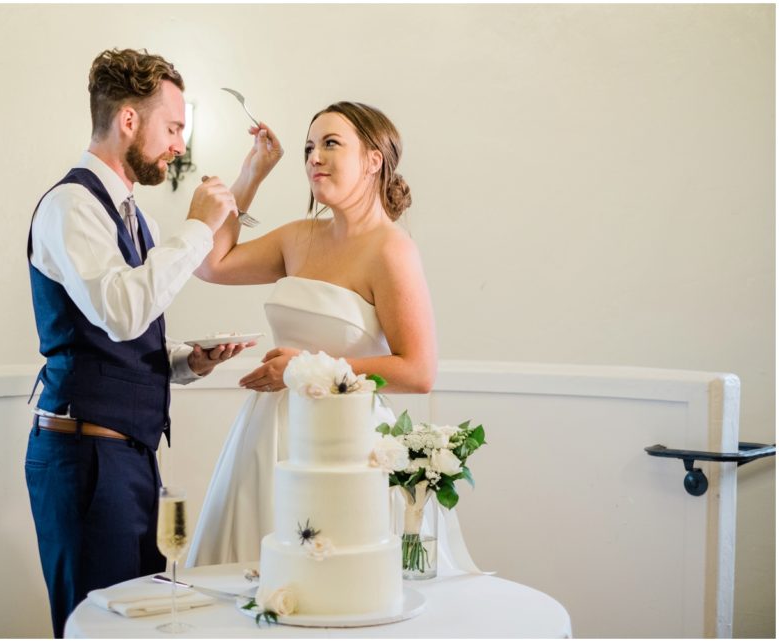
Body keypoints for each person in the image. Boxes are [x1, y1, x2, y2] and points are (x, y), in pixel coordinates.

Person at [24, 48, 282, 637]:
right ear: (130, 121)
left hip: (127, 457)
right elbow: (121, 311)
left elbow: (120, 334)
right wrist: (195, 226)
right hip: (84, 458)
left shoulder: (132, 217)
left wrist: (188, 361)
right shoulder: (70, 206)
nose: (178, 147)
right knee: (99, 626)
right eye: (172, 129)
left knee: (143, 626)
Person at [186, 101, 471, 569]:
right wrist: (253, 173)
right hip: (268, 437)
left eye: (331, 144)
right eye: (308, 147)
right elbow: (209, 264)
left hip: (344, 440)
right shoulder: (298, 238)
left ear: (373, 160)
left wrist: (304, 369)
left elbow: (418, 372)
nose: (314, 157)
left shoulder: (392, 251)